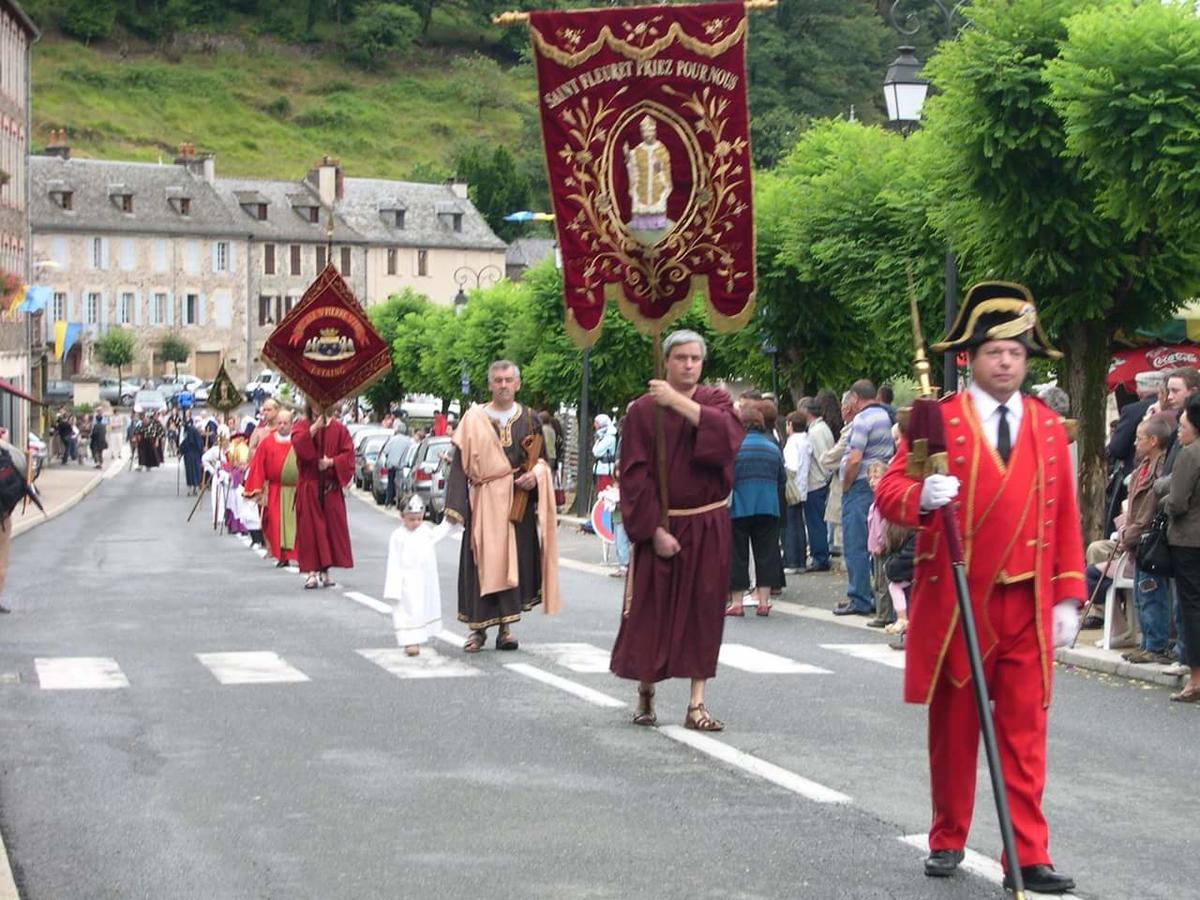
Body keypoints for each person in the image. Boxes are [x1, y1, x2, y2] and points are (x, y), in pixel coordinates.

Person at [875, 281, 1083, 895]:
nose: (1006, 362)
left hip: (1026, 605)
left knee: (1025, 732)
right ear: (971, 357)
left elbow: (1066, 515)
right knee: (956, 729)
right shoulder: (938, 421)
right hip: (960, 602)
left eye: (1016, 353)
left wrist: (1070, 593)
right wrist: (921, 497)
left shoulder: (1048, 427)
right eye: (995, 351)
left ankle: (1030, 851)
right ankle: (947, 837)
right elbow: (889, 494)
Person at [609, 330, 743, 731]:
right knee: (653, 612)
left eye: (695, 359)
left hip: (708, 522)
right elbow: (634, 475)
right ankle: (646, 692)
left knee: (703, 612)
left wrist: (677, 402)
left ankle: (696, 704)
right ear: (666, 360)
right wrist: (652, 530)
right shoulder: (641, 412)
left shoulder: (715, 401)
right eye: (681, 358)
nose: (688, 365)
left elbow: (726, 439)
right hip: (664, 526)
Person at [444, 360, 561, 652]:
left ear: (518, 384)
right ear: (490, 385)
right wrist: (456, 508)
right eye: (498, 380)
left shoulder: (531, 418)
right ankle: (478, 631)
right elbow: (459, 464)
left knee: (511, 563)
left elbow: (544, 459)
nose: (504, 385)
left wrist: (536, 476)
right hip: (483, 500)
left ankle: (506, 629)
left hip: (515, 504)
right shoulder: (473, 419)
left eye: (509, 380)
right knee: (480, 562)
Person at [836, 380, 895, 617]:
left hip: (860, 485)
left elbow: (854, 458)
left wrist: (846, 483)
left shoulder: (861, 420)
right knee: (875, 541)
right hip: (878, 482)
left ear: (855, 398)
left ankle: (859, 597)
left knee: (856, 543)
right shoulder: (884, 416)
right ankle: (876, 595)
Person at [1118, 416, 1173, 664]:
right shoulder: (1141, 469)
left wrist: (1131, 533)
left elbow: (1148, 509)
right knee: (1141, 594)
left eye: (1139, 438)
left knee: (1152, 592)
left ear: (1153, 441)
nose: (1135, 443)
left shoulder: (1159, 471)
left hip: (1149, 539)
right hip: (1136, 540)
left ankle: (1156, 645)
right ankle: (1147, 641)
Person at [726, 400, 786, 617]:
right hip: (768, 506)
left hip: (740, 507)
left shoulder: (734, 447)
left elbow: (726, 479)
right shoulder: (772, 448)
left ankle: (737, 603)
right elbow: (782, 479)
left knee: (737, 554)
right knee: (766, 554)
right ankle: (763, 601)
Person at [292, 404, 355, 590]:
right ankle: (311, 573)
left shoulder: (339, 429)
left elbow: (348, 455)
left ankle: (325, 572)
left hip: (329, 489)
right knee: (310, 531)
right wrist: (315, 428)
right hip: (310, 487)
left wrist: (331, 462)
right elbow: (298, 444)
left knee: (328, 531)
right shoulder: (302, 426)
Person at [1163, 395, 1200, 702]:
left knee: (1192, 608)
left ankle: (1196, 678)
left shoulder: (1191, 454)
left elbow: (1177, 502)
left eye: (1183, 424)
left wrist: (1162, 502)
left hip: (1190, 540)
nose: (1179, 431)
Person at [384, 494, 452, 656]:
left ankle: (421, 636)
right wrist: (394, 586)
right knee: (407, 610)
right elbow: (393, 562)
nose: (416, 523)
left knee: (422, 608)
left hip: (423, 578)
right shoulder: (398, 536)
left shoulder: (425, 532)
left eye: (419, 519)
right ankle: (409, 641)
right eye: (411, 519)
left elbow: (439, 533)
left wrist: (451, 521)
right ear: (402, 516)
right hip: (406, 580)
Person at [243, 409, 299, 567]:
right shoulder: (267, 442)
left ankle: (297, 554)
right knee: (275, 522)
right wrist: (256, 489)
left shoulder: (298, 441)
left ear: (291, 424)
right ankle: (282, 556)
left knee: (297, 524)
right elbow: (258, 466)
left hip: (296, 490)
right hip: (275, 489)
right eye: (279, 423)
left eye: (285, 423)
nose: (281, 426)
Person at [801, 398, 834, 571]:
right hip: (821, 480)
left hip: (816, 482)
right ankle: (820, 554)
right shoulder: (823, 429)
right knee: (817, 521)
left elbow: (822, 457)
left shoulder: (816, 432)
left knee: (815, 522)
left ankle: (820, 557)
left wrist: (824, 476)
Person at [782, 411, 810, 573]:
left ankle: (792, 561)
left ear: (790, 424)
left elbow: (791, 466)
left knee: (790, 524)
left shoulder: (792, 443)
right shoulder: (806, 440)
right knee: (798, 523)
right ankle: (801, 561)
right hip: (802, 487)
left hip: (792, 487)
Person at [592, 413, 618, 494]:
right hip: (601, 469)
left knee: (604, 493)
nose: (594, 425)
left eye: (596, 423)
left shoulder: (609, 437)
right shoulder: (602, 436)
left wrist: (597, 442)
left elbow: (597, 451)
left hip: (606, 470)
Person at [179, 416, 204, 495]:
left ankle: (192, 488)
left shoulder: (189, 431)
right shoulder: (194, 431)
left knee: (190, 471)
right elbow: (199, 444)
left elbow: (185, 444)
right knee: (195, 470)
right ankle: (195, 487)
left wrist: (180, 452)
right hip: (194, 454)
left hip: (190, 454)